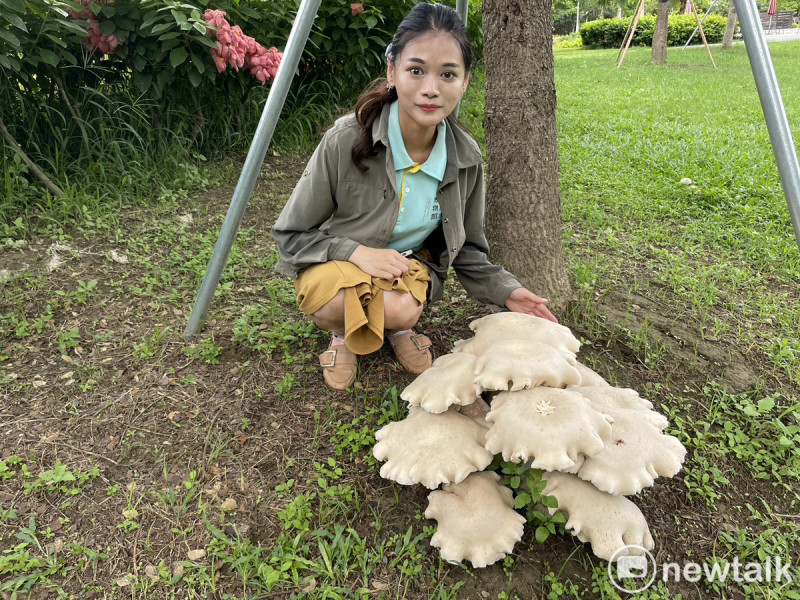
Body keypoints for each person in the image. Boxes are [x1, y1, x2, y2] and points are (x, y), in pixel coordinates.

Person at [272, 2, 556, 391]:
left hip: (409, 268)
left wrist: (508, 292)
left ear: (465, 81)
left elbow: (468, 249)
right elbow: (292, 234)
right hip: (341, 263)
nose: (430, 89)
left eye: (448, 74)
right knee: (330, 303)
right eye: (416, 70)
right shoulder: (345, 140)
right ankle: (342, 335)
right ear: (392, 70)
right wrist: (357, 254)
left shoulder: (466, 159)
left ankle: (396, 328)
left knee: (401, 310)